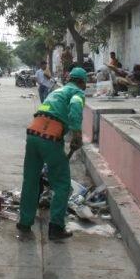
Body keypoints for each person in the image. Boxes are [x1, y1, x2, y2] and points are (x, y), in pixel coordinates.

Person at [17, 67, 88, 241]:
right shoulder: (77, 93)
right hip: (50, 138)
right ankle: (56, 227)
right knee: (62, 184)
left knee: (31, 180)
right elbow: (75, 108)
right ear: (82, 82)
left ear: (69, 78)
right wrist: (77, 135)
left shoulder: (57, 90)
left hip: (33, 134)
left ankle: (25, 222)